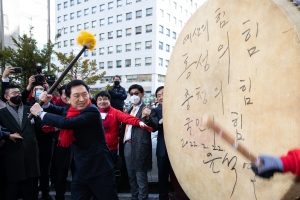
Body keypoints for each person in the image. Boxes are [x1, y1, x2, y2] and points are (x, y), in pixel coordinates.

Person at [30, 80, 118, 199]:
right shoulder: (72, 110)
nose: (81, 99)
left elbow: (66, 122)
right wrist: (46, 104)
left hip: (100, 170)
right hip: (82, 170)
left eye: (84, 94)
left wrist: (40, 113)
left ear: (89, 95)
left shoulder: (92, 111)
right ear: (68, 99)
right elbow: (61, 111)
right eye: (76, 96)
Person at [0, 84, 40, 200]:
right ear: (6, 97)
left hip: (30, 153)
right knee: (12, 187)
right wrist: (7, 135)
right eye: (14, 93)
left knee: (31, 186)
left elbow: (40, 126)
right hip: (11, 155)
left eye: (19, 93)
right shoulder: (1, 113)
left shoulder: (30, 109)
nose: (18, 95)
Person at [121, 84, 158, 200]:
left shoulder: (148, 109)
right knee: (131, 176)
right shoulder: (129, 110)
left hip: (140, 146)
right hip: (127, 145)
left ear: (142, 94)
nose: (133, 96)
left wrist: (147, 118)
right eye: (131, 94)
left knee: (140, 177)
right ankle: (134, 197)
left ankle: (142, 198)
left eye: (136, 93)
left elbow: (155, 126)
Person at [95, 91, 152, 165]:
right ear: (96, 102)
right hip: (96, 148)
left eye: (105, 99)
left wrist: (139, 122)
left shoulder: (115, 112)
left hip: (111, 148)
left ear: (109, 101)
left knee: (110, 171)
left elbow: (126, 118)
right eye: (100, 99)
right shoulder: (93, 112)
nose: (102, 101)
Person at [154, 86, 172, 200]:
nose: (161, 97)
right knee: (163, 177)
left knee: (180, 178)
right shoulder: (156, 110)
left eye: (163, 94)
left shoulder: (179, 108)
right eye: (158, 95)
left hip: (179, 150)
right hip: (162, 149)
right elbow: (154, 126)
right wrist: (161, 122)